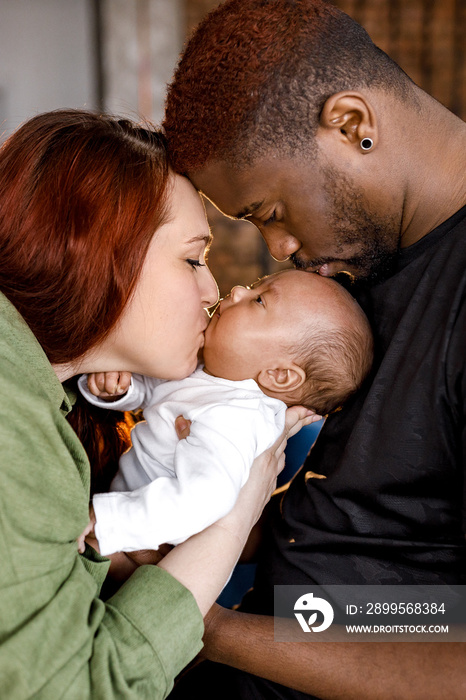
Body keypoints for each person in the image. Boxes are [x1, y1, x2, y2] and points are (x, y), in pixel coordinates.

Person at [162, 0, 466, 697]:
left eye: (271, 213)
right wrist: (218, 532)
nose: (277, 251)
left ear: (352, 125)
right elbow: (373, 503)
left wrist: (206, 625)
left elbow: (442, 629)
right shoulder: (368, 259)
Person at [0, 108, 313, 698]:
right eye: (193, 259)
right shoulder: (11, 425)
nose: (215, 291)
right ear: (97, 251)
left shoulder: (48, 401)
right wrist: (239, 508)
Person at [77, 269, 372, 556]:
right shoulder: (216, 375)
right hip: (121, 519)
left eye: (259, 300)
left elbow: (204, 499)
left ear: (279, 375)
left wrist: (109, 520)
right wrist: (121, 388)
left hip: (132, 538)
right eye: (255, 284)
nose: (239, 290)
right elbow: (158, 393)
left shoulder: (236, 419)